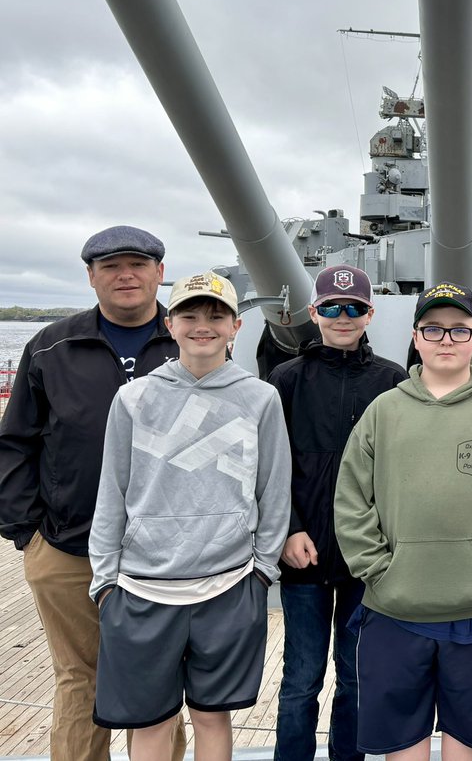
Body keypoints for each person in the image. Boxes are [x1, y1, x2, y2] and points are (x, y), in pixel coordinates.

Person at [334, 282, 472, 761]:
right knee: (402, 748)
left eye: (458, 330)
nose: (445, 340)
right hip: (394, 610)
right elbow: (350, 496)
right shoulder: (384, 410)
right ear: (416, 337)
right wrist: (376, 566)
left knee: (468, 747)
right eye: (433, 329)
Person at [0, 225, 187, 761]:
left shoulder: (188, 342)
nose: (124, 275)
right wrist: (26, 531)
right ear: (91, 276)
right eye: (110, 266)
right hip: (66, 546)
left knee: (155, 681)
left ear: (158, 272)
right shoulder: (52, 346)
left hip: (163, 554)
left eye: (136, 264)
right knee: (80, 678)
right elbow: (15, 441)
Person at [88, 271, 291, 761]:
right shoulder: (133, 398)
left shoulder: (260, 397)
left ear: (235, 327)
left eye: (217, 315)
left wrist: (262, 571)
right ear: (170, 323)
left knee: (211, 716)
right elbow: (112, 492)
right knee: (150, 721)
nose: (204, 325)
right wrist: (105, 582)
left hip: (229, 585)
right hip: (140, 587)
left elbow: (274, 491)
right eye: (190, 315)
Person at [268, 265, 407, 761]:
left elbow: (400, 469)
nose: (342, 316)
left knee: (356, 676)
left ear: (370, 314)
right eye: (331, 307)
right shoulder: (285, 380)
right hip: (302, 554)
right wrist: (288, 529)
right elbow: (270, 466)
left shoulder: (393, 382)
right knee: (301, 679)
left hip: (365, 559)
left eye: (353, 308)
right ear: (314, 312)